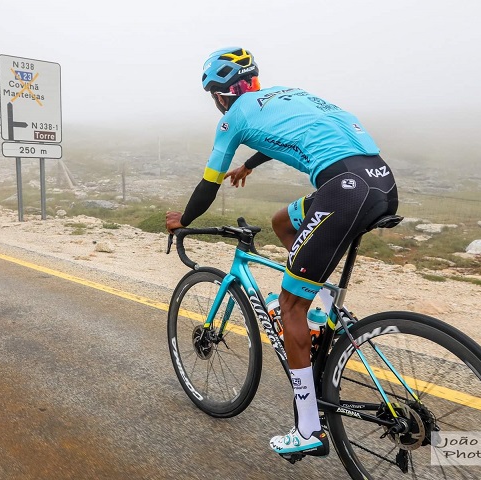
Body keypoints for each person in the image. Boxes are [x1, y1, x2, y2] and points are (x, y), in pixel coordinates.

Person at [166, 47, 398, 460]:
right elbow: (283, 136)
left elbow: (208, 185)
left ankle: (307, 427)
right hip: (378, 182)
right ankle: (321, 308)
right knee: (283, 222)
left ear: (219, 94)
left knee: (288, 306)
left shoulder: (231, 117)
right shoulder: (286, 95)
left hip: (345, 191)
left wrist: (183, 219)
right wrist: (252, 164)